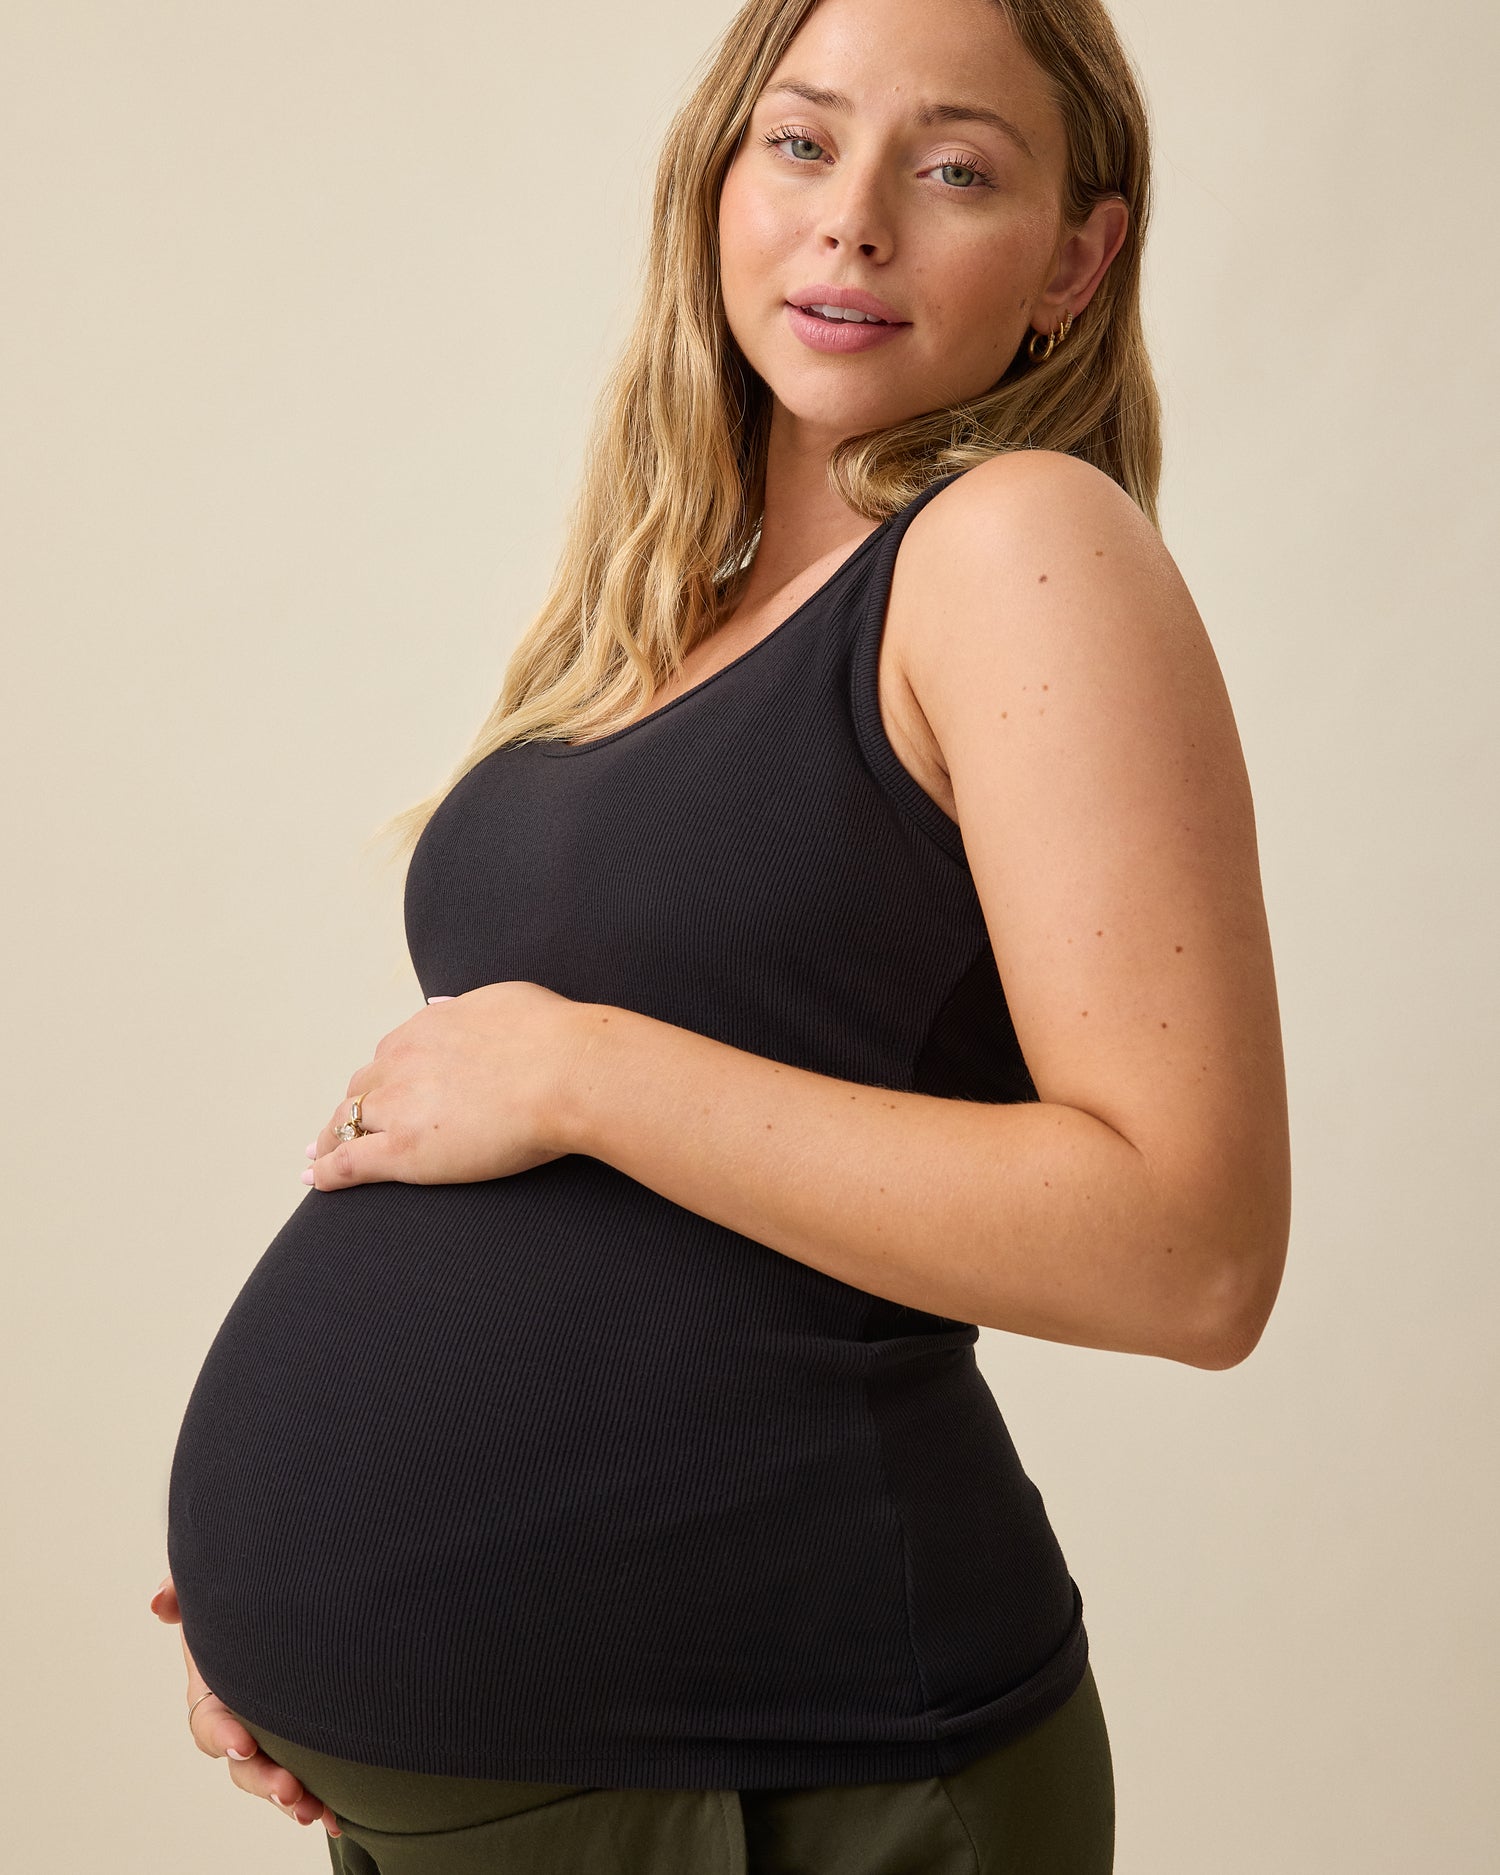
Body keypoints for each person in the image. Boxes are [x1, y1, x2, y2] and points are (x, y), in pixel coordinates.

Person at [151, 0, 1291, 1866]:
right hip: (510, 1780)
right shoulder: (671, 598)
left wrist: (589, 1071)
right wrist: (317, 1628)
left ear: (1077, 258)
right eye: (801, 140)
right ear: (717, 179)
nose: (854, 221)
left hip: (791, 1782)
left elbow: (1192, 1252)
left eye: (954, 169)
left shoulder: (1016, 544)